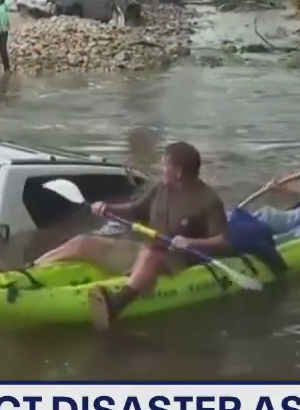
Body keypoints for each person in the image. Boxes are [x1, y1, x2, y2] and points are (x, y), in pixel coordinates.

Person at [32, 141, 228, 330]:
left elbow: (223, 241)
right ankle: (30, 269)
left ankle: (115, 305)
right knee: (81, 242)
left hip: (177, 260)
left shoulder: (208, 200)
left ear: (178, 172)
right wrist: (108, 208)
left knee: (150, 255)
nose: (161, 169)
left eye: (165, 166)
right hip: (146, 249)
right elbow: (135, 210)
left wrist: (190, 242)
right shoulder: (161, 188)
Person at [169, 204, 289, 278]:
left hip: (261, 227)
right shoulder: (194, 223)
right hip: (243, 218)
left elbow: (280, 266)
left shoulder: (246, 236)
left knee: (292, 230)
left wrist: (190, 242)